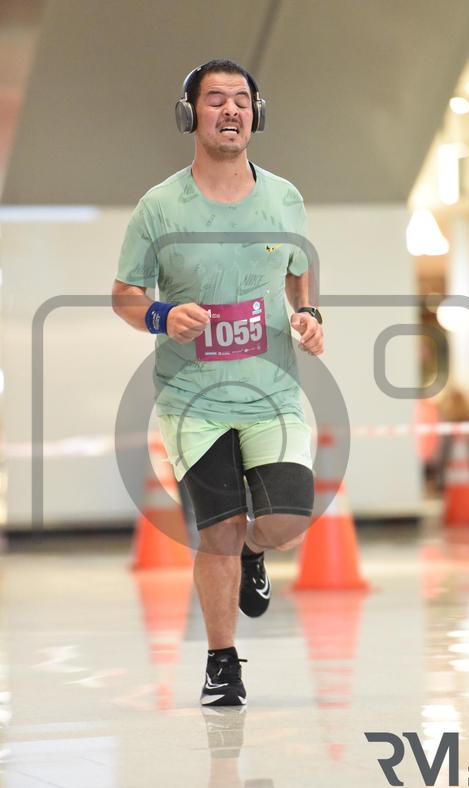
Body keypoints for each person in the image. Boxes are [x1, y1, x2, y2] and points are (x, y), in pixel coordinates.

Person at [112, 59, 324, 707]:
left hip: (272, 393)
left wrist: (309, 314)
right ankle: (222, 662)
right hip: (192, 398)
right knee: (219, 529)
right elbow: (124, 294)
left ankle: (255, 555)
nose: (231, 110)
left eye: (241, 99)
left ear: (256, 114)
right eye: (215, 100)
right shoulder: (158, 207)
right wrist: (160, 316)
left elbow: (298, 268)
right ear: (190, 115)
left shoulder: (284, 198)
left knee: (285, 521)